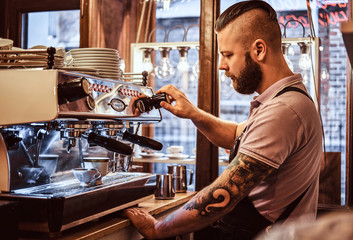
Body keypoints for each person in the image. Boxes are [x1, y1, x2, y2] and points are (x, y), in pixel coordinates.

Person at [124, 1, 322, 239]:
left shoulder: (284, 110)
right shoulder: (283, 99)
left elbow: (224, 192)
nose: (221, 65)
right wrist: (193, 114)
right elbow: (235, 136)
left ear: (259, 50)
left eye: (227, 54)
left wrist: (157, 229)